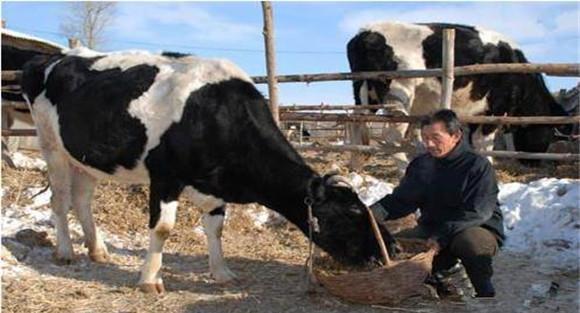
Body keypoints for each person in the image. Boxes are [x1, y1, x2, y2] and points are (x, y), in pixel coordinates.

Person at [371, 109, 505, 298]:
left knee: (469, 243)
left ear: (456, 135)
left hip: (476, 227)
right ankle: (440, 274)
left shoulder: (477, 166)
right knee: (397, 245)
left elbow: (478, 212)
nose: (429, 144)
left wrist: (441, 237)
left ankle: (485, 291)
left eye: (436, 137)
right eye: (425, 138)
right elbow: (401, 200)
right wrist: (371, 213)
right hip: (433, 228)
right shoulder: (421, 165)